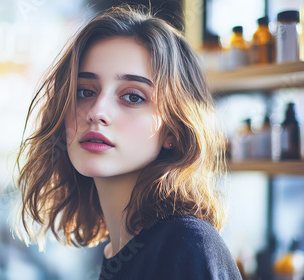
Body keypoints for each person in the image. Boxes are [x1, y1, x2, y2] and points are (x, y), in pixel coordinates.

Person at [14, 4, 242, 279]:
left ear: (173, 130)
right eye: (85, 91)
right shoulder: (118, 249)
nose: (97, 111)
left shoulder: (187, 245)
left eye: (133, 96)